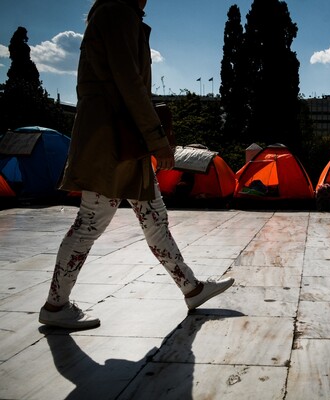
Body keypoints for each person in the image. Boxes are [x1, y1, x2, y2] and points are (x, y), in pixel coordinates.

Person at [39, 0, 233, 330]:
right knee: (91, 222)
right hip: (112, 140)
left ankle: (192, 288)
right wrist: (157, 139)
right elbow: (129, 82)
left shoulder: (118, 12)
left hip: (123, 139)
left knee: (154, 217)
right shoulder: (117, 11)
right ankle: (56, 305)